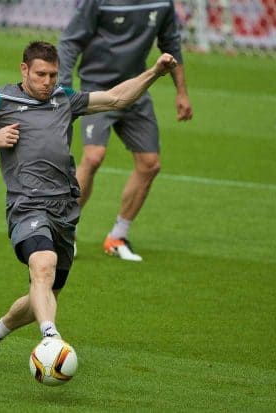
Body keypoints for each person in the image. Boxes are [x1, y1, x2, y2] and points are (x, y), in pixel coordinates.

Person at [0, 41, 177, 366]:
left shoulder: (63, 98)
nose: (48, 81)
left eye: (53, 74)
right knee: (43, 266)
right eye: (41, 74)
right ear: (24, 69)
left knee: (44, 293)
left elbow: (117, 97)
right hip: (27, 207)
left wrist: (155, 72)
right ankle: (51, 338)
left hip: (65, 210)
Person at [58, 0, 193, 261]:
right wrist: (63, 87)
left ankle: (117, 236)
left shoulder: (163, 3)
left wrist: (182, 93)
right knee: (94, 156)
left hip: (137, 89)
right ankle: (66, 232)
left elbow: (171, 45)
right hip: (98, 88)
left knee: (150, 164)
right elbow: (69, 41)